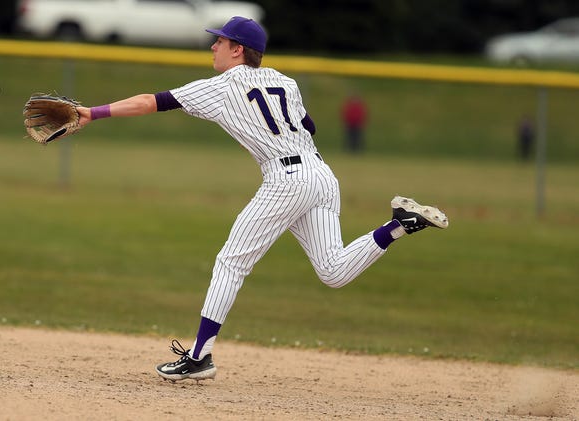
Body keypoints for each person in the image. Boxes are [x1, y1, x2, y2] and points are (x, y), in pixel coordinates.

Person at [75, 16, 449, 382]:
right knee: (333, 271)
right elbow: (309, 126)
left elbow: (147, 102)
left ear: (238, 50)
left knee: (231, 262)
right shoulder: (284, 81)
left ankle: (200, 355)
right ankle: (400, 224)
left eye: (220, 42)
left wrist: (92, 113)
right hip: (321, 175)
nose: (213, 47)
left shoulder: (222, 86)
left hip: (286, 178)